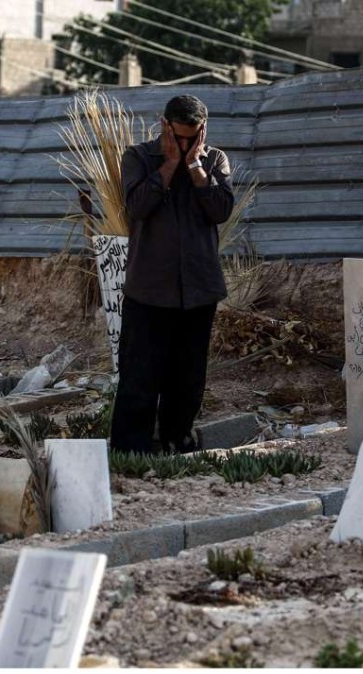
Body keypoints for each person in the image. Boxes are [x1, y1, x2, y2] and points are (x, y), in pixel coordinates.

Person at [109, 94, 234, 454]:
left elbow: (220, 209)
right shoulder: (138, 157)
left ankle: (176, 443)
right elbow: (137, 206)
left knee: (188, 377)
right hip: (149, 289)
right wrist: (168, 165)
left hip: (198, 289)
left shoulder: (215, 160)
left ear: (203, 131)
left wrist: (194, 166)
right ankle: (131, 452)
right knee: (139, 376)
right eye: (178, 137)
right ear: (164, 126)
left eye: (192, 137)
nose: (185, 144)